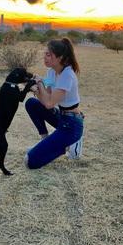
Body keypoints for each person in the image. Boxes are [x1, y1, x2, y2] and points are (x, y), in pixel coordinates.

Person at [24, 38, 84, 169]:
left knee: (30, 161)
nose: (44, 57)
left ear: (60, 58)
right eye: (45, 54)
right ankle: (45, 140)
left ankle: (70, 142)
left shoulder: (67, 75)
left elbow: (49, 103)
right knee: (31, 103)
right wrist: (36, 89)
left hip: (72, 124)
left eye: (48, 54)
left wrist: (39, 83)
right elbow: (46, 97)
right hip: (61, 117)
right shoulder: (52, 71)